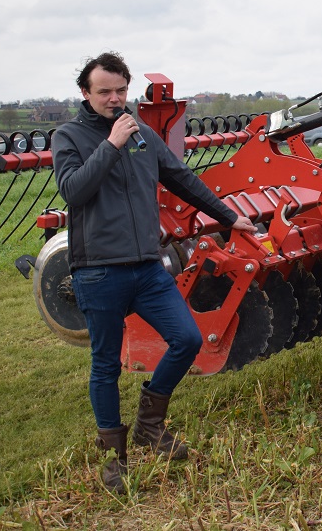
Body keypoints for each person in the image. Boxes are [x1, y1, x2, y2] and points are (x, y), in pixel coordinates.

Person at [51, 52, 256, 493]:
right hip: (98, 271)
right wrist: (111, 145)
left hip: (147, 265)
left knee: (187, 339)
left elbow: (182, 177)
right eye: (104, 91)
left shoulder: (142, 133)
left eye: (121, 91)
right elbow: (74, 190)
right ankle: (113, 457)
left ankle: (149, 424)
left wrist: (226, 216)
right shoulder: (69, 136)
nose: (114, 99)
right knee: (105, 364)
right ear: (85, 93)